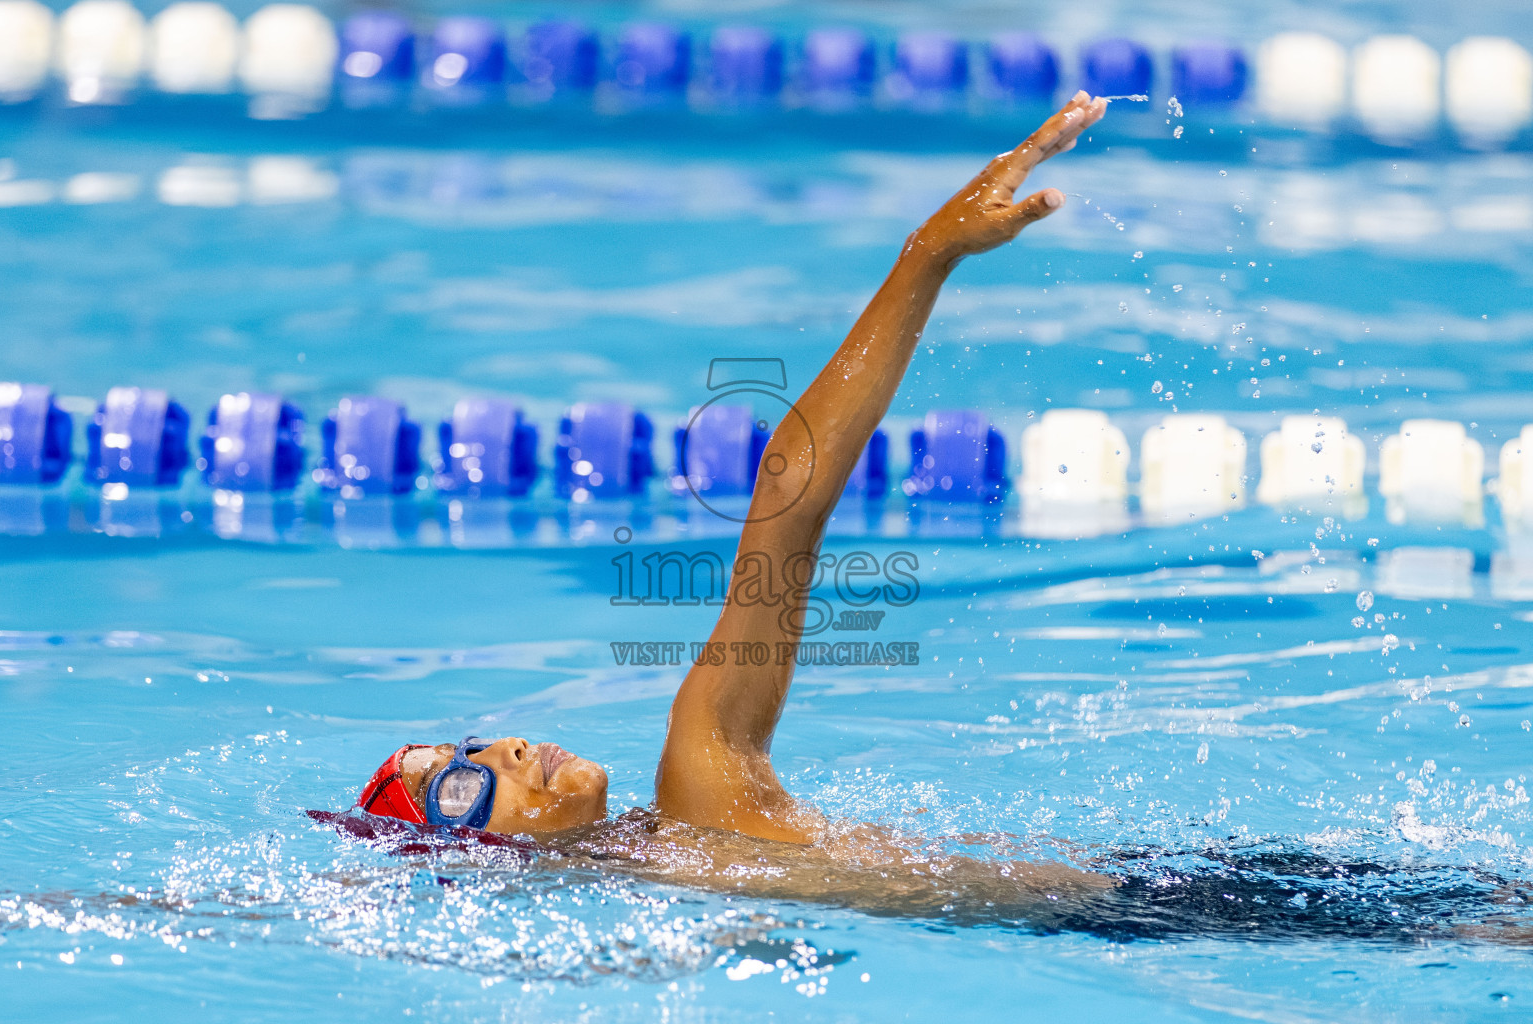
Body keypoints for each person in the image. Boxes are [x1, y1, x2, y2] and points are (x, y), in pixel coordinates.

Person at [338, 94, 1530, 944]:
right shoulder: (665, 877)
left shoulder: (703, 784)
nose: (502, 753)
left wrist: (927, 257)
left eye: (472, 741)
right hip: (1143, 920)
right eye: (460, 786)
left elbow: (784, 504)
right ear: (476, 859)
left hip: (1178, 903)